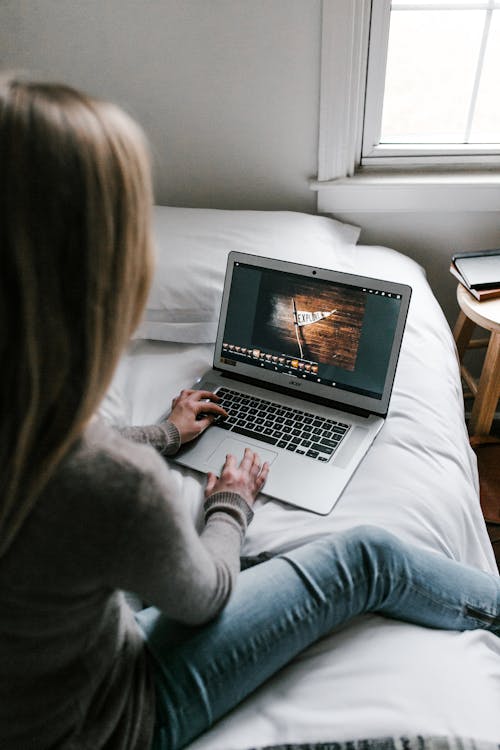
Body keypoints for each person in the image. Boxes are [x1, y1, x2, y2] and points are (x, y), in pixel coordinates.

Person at [0, 74, 498, 750]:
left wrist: (165, 433)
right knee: (367, 558)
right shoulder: (109, 485)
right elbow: (203, 596)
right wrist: (232, 503)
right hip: (109, 723)